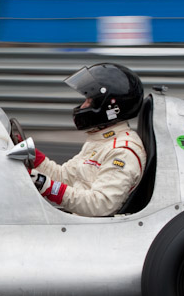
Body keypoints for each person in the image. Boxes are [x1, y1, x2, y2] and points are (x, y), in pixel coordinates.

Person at [29, 63, 147, 217]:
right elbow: (65, 176)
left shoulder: (122, 151)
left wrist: (47, 186)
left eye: (89, 101)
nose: (83, 106)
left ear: (109, 107)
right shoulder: (101, 140)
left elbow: (101, 204)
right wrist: (31, 155)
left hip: (94, 232)